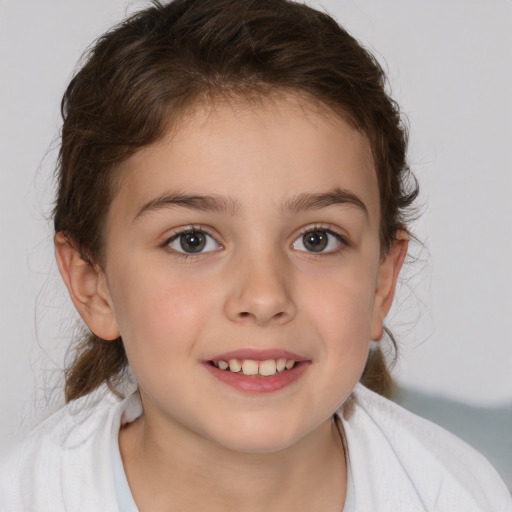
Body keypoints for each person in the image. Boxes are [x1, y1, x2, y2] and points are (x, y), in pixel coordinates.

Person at [0, 0, 510, 510]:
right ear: (95, 285)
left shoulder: (458, 494)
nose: (264, 297)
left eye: (317, 239)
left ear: (381, 280)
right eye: (192, 240)